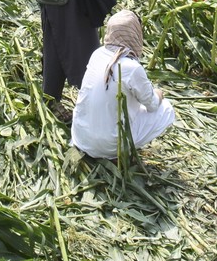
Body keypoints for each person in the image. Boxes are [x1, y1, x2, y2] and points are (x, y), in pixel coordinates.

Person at [70, 10, 176, 159]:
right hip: (109, 145)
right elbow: (152, 104)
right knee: (166, 109)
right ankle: (119, 154)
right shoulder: (131, 68)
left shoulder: (97, 54)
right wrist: (159, 93)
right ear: (134, 34)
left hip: (80, 137)